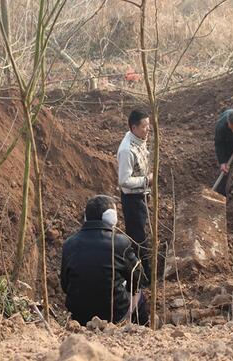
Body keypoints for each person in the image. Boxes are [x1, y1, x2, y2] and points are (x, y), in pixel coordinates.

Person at [60, 195, 148, 325]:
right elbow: (139, 278)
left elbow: (65, 285)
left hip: (79, 316)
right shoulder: (120, 243)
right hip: (114, 315)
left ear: (86, 217)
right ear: (112, 217)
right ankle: (142, 332)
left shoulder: (69, 244)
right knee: (139, 295)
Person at [117, 109, 152, 284]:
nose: (148, 129)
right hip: (133, 200)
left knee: (142, 235)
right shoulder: (126, 150)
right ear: (134, 127)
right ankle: (144, 278)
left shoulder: (140, 140)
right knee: (138, 239)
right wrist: (146, 180)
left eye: (148, 125)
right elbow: (123, 180)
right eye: (145, 126)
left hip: (142, 195)